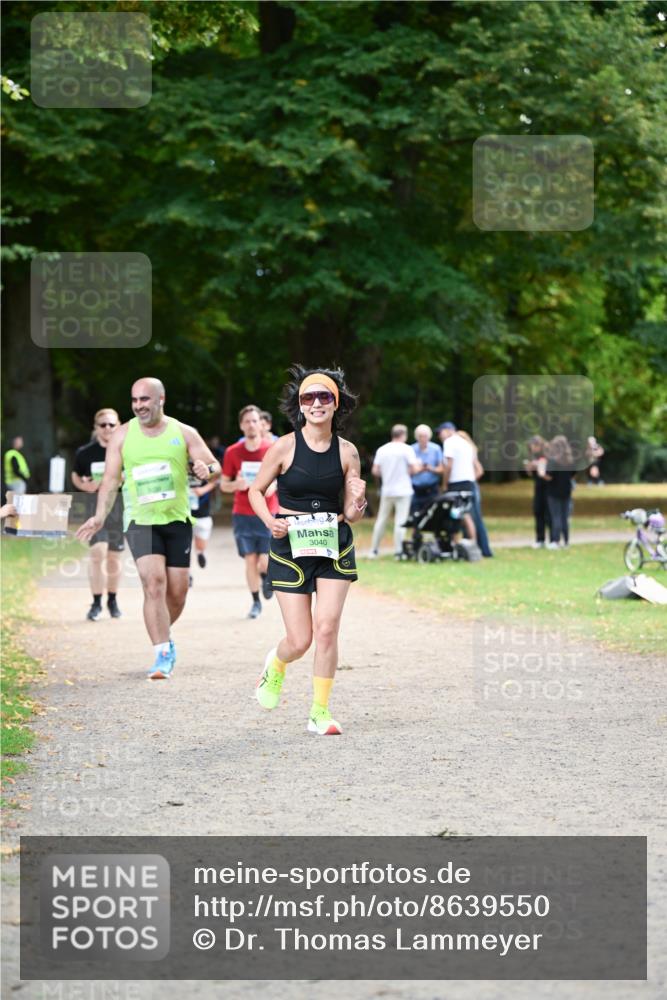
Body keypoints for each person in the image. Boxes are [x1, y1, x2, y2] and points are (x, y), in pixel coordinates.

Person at [249, 366, 366, 736]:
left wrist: (359, 504)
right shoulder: (284, 446)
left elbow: (350, 513)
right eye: (308, 397)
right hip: (289, 546)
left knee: (328, 628)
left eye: (324, 397)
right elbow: (256, 491)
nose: (316, 404)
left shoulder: (347, 452)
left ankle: (320, 712)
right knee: (301, 640)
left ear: (336, 404)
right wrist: (271, 521)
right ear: (300, 405)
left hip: (334, 544)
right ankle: (277, 664)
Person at [76, 377, 220, 679]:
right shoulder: (122, 435)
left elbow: (214, 466)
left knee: (177, 593)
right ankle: (162, 653)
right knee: (153, 583)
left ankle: (164, 635)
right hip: (140, 521)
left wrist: (206, 469)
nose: (139, 406)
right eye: (135, 400)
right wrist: (100, 516)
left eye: (145, 400)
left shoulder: (183, 432)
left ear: (160, 400)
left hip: (177, 520)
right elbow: (112, 480)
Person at [221, 405, 278, 619]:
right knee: (250, 559)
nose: (251, 425)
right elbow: (223, 485)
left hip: (267, 511)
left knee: (264, 559)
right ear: (241, 426)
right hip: (243, 513)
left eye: (255, 421)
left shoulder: (272, 448)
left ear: (261, 424)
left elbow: (283, 477)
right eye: (247, 422)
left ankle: (266, 576)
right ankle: (255, 602)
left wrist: (274, 486)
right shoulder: (232, 452)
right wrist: (237, 484)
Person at [72, 408, 124, 621]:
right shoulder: (85, 453)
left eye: (111, 424)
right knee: (97, 554)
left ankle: (112, 600)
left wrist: (119, 481)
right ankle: (95, 603)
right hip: (94, 510)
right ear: (96, 428)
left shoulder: (125, 450)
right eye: (103, 425)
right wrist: (86, 486)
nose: (107, 428)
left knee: (113, 559)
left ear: (118, 425)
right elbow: (75, 476)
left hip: (118, 510)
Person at [369, 425, 421, 558]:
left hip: (387, 490)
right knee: (400, 521)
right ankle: (398, 551)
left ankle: (374, 550)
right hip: (403, 490)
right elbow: (414, 469)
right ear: (403, 435)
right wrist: (417, 467)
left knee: (381, 520)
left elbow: (375, 470)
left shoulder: (382, 449)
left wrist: (386, 474)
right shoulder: (407, 449)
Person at [438, 422, 477, 544]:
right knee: (465, 513)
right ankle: (472, 542)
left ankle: (455, 542)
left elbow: (449, 466)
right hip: (469, 482)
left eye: (440, 432)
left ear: (448, 430)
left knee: (455, 513)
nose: (439, 436)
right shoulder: (466, 443)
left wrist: (444, 484)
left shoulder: (449, 442)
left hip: (456, 482)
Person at [457, 430, 493, 558]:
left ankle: (482, 548)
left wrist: (470, 479)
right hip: (469, 486)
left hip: (471, 487)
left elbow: (479, 470)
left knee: (474, 518)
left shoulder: (469, 453)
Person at [539, 435, 574, 549]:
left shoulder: (553, 461)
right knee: (565, 517)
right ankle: (566, 541)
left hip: (553, 491)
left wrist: (541, 473)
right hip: (566, 491)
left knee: (556, 517)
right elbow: (572, 475)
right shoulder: (570, 461)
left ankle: (555, 540)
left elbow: (549, 476)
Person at [524, 434, 551, 548]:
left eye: (534, 446)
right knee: (538, 512)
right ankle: (540, 539)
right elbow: (532, 474)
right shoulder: (533, 456)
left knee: (549, 514)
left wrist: (541, 466)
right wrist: (530, 468)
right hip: (538, 487)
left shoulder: (548, 454)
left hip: (549, 487)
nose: (532, 449)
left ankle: (553, 539)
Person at [410, 424, 443, 516]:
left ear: (429, 436)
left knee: (434, 513)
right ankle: (416, 530)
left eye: (425, 436)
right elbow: (408, 470)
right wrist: (418, 469)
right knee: (415, 514)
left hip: (432, 488)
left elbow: (442, 469)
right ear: (417, 437)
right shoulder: (411, 449)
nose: (423, 439)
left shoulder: (436, 449)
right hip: (416, 488)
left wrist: (431, 468)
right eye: (421, 436)